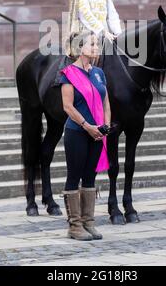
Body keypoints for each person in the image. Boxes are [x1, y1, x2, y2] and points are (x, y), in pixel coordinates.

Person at [60, 31, 111, 241]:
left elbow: (106, 101)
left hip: (97, 133)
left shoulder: (99, 72)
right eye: (91, 44)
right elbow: (67, 106)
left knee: (90, 176)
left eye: (97, 44)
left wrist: (105, 126)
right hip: (77, 132)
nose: (96, 47)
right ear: (80, 48)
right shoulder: (68, 73)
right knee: (75, 175)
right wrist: (87, 126)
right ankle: (74, 225)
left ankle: (88, 221)